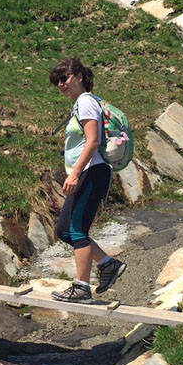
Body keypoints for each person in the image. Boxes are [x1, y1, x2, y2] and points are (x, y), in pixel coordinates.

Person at [48, 57, 126, 302]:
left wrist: (75, 173)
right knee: (64, 230)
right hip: (87, 172)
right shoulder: (81, 104)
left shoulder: (85, 102)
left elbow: (92, 141)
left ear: (79, 77)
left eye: (65, 78)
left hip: (91, 172)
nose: (61, 84)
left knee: (77, 229)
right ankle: (107, 263)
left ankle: (81, 287)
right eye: (57, 82)